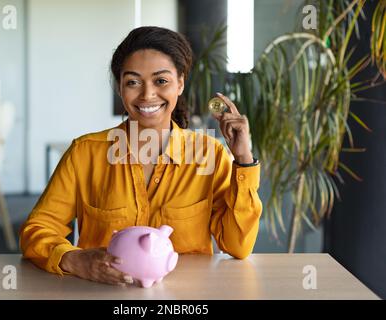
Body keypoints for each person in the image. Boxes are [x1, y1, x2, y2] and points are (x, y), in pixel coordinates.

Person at [20, 26, 262, 287]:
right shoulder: (85, 153)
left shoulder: (207, 155)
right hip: (100, 294)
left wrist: (244, 159)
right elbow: (38, 230)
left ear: (180, 83)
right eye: (133, 82)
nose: (147, 95)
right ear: (120, 88)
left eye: (161, 81)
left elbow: (238, 245)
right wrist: (74, 260)